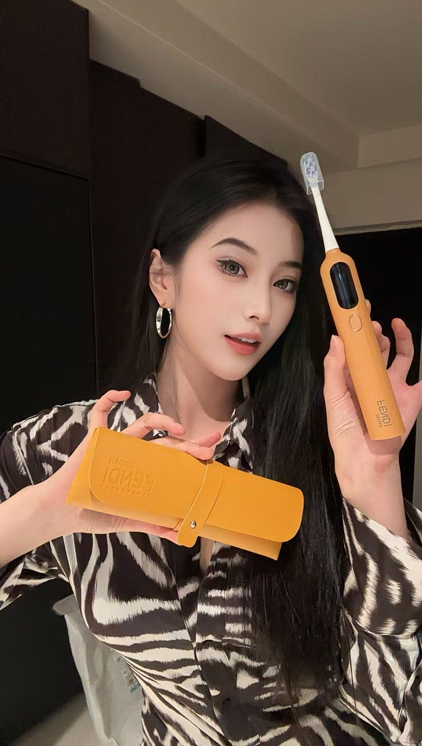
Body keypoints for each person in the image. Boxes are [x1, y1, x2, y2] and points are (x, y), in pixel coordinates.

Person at [0, 156, 421, 746]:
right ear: (162, 279)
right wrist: (47, 511)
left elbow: (397, 707)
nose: (262, 308)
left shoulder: (325, 450)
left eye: (284, 283)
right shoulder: (67, 446)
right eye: (232, 266)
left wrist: (376, 480)